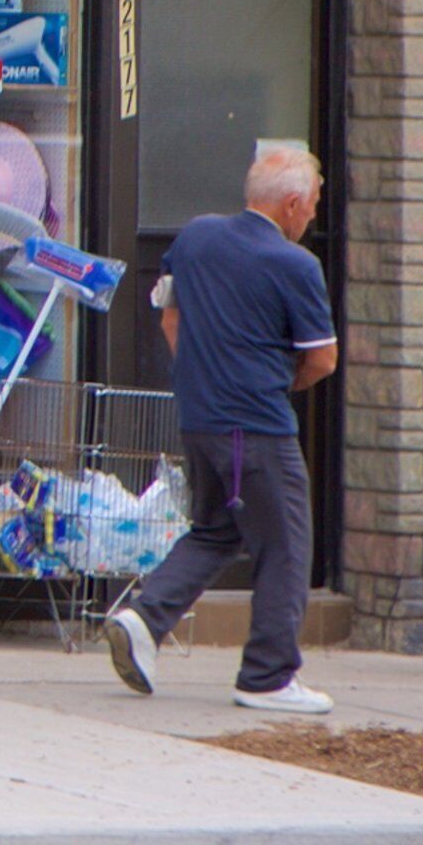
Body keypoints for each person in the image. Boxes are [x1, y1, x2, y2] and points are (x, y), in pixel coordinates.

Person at [107, 141, 341, 713]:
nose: (311, 218)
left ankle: (143, 617)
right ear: (290, 204)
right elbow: (323, 360)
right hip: (256, 424)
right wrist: (269, 381)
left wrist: (203, 373)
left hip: (199, 416)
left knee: (216, 529)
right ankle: (267, 676)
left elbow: (170, 316)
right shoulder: (295, 265)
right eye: (310, 206)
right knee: (287, 545)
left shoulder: (195, 237)